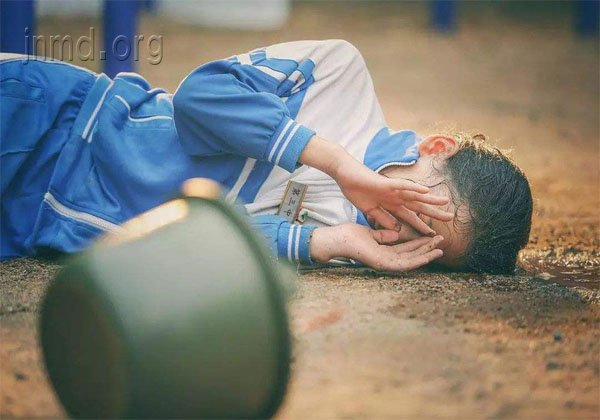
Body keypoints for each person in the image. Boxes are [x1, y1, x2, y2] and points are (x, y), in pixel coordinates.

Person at [0, 40, 532, 273]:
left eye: (418, 241)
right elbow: (200, 95)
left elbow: (187, 242)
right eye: (418, 207)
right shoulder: (340, 75)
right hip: (52, 125)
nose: (397, 226)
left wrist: (328, 242)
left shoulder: (346, 245)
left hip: (32, 227)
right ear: (436, 148)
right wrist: (336, 163)